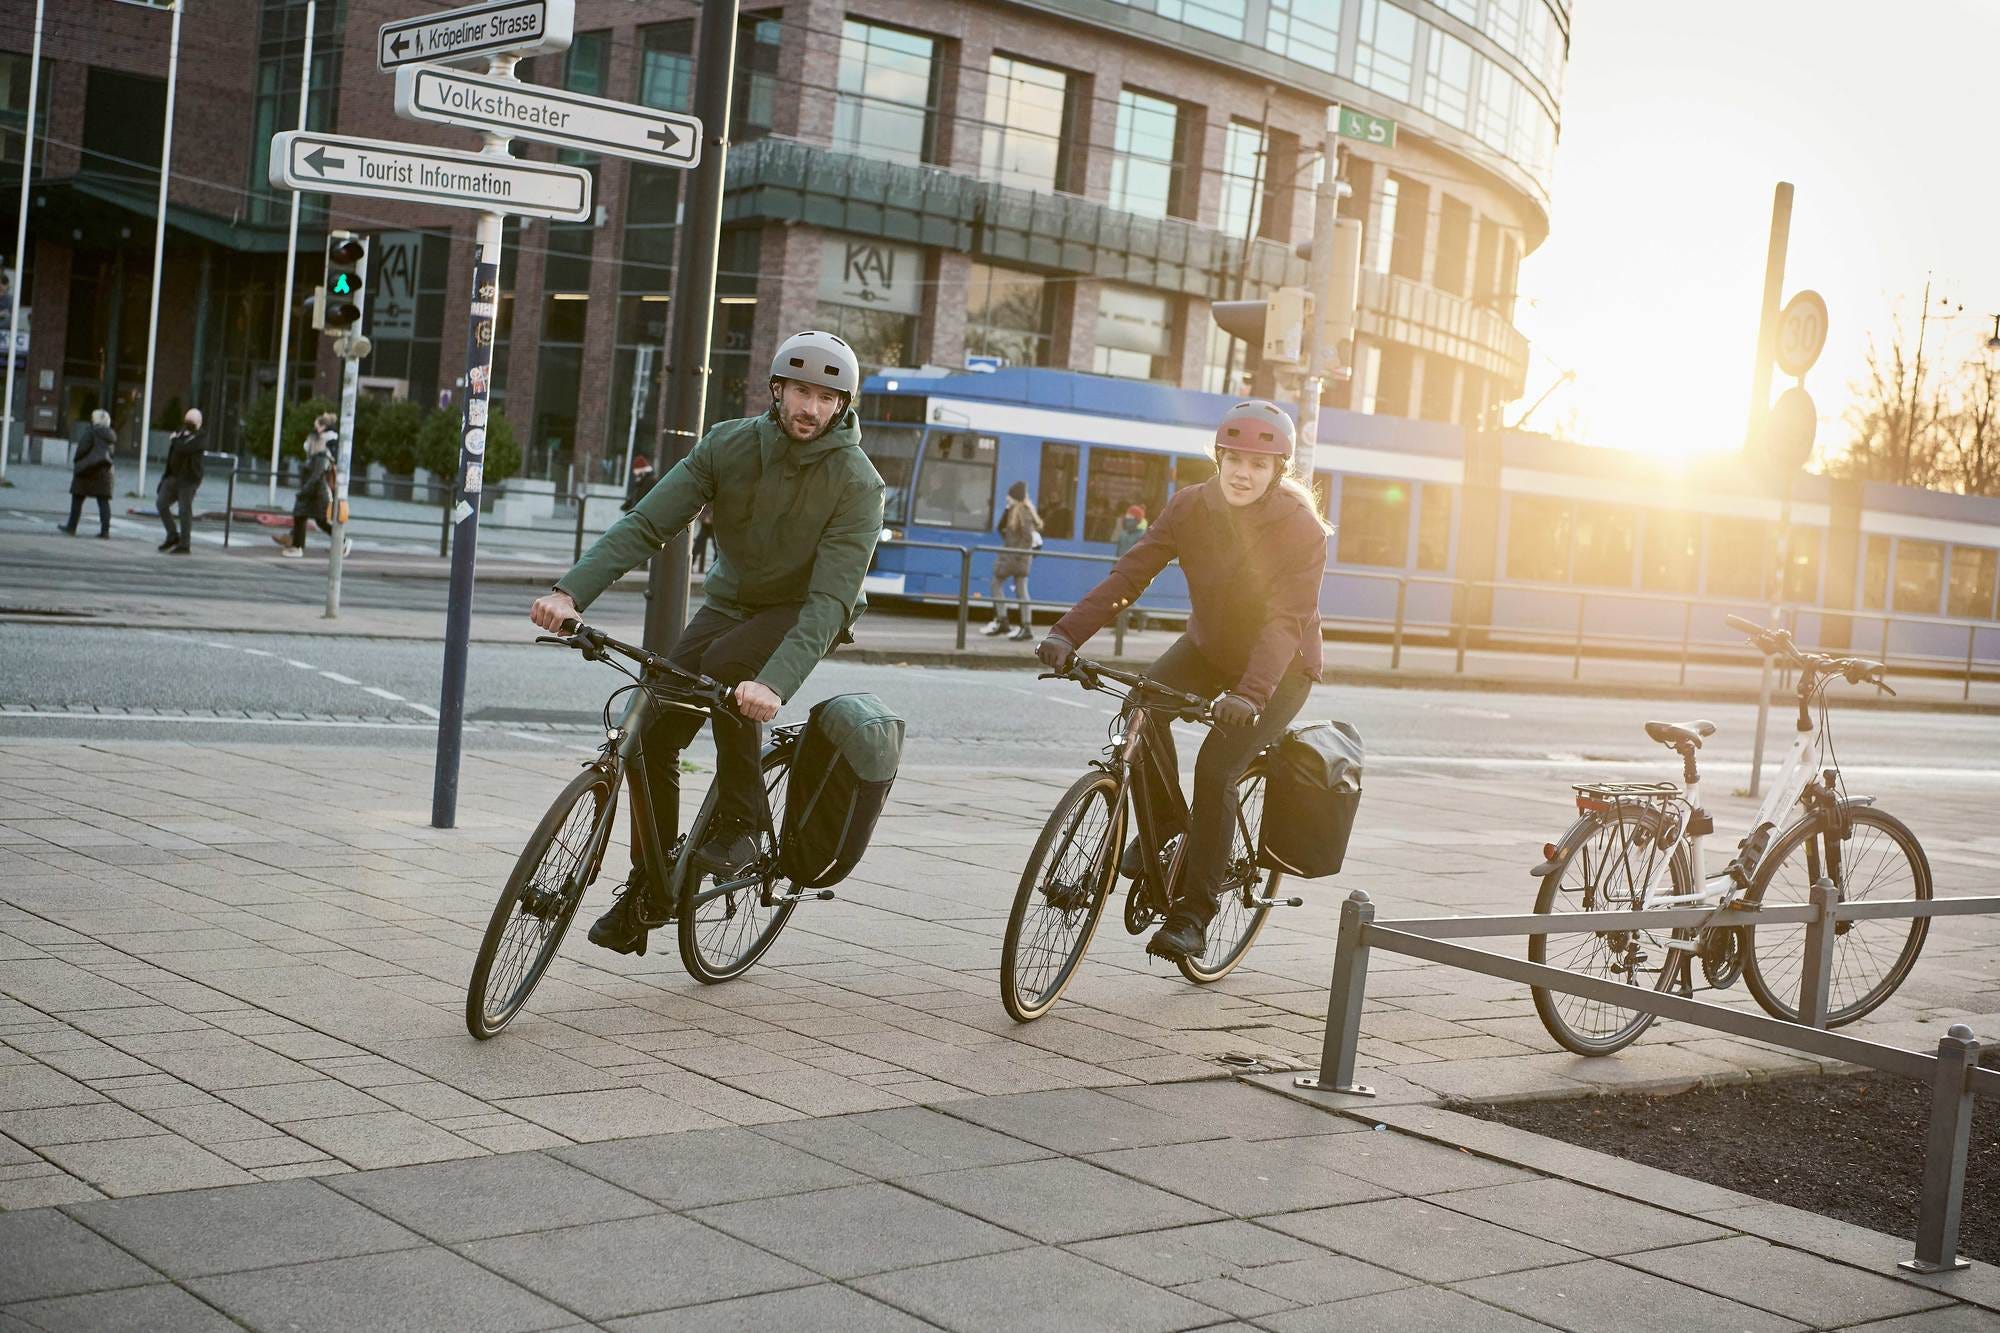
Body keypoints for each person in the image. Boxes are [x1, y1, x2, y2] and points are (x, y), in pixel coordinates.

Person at [529, 330, 885, 956]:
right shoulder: (730, 444)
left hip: (805, 610)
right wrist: (570, 593)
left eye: (827, 398)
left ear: (843, 405)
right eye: (800, 391)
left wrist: (772, 684)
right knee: (650, 730)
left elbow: (829, 601)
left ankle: (743, 823)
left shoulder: (858, 483)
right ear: (777, 391)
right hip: (731, 601)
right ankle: (650, 889)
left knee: (730, 668)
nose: (811, 408)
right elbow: (646, 521)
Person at [1036, 400, 1328, 963]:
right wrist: (1068, 634)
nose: (1244, 472)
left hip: (1280, 665)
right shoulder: (1190, 507)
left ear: (1278, 472)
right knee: (1142, 704)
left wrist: (1250, 693)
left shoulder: (1300, 529)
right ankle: (1167, 825)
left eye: (1259, 464)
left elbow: (1284, 621)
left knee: (1217, 766)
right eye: (1234, 458)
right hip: (1211, 646)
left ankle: (1193, 915)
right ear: (1218, 457)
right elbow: (1130, 575)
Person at [275, 415, 349, 558]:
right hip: (315, 491)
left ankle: (299, 546)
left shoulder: (322, 454)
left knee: (313, 518)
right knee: (304, 516)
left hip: (317, 493)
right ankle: (295, 543)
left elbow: (317, 476)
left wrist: (304, 491)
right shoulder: (318, 454)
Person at [983, 480, 1041, 642]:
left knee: (998, 584)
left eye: (1009, 495)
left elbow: (1027, 537)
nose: (1007, 498)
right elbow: (1002, 527)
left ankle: (1009, 622)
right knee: (1020, 590)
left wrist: (1015, 555)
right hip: (1016, 557)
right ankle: (1021, 625)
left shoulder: (1022, 512)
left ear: (1015, 496)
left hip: (1016, 558)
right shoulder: (1015, 510)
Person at [59, 410, 116, 539]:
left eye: (92, 417)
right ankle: (105, 531)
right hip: (104, 471)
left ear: (95, 420)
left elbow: (82, 449)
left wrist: (78, 462)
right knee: (103, 501)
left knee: (77, 498)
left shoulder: (91, 432)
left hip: (87, 470)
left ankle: (71, 527)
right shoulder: (110, 435)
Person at [156, 409, 205, 554]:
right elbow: (174, 451)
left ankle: (185, 544)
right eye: (187, 421)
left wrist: (174, 439)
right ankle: (172, 535)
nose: (188, 424)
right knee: (161, 504)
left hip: (189, 479)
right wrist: (165, 476)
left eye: (192, 421)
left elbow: (185, 448)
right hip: (173, 476)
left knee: (184, 510)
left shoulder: (200, 437)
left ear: (199, 423)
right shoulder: (180, 433)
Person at [1113, 503, 1149, 632]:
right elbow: (1117, 552)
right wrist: (1114, 567)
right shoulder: (1123, 534)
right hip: (1120, 568)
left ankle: (1121, 628)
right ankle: (1140, 615)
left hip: (1132, 570)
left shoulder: (1141, 535)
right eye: (1127, 517)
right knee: (1121, 596)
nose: (1127, 519)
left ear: (1137, 520)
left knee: (1124, 597)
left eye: (1131, 517)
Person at [692, 503, 715, 572]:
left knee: (718, 550)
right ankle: (690, 566)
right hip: (705, 526)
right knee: (697, 547)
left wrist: (710, 518)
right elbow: (698, 511)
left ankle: (713, 570)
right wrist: (705, 518)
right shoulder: (705, 500)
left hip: (714, 527)